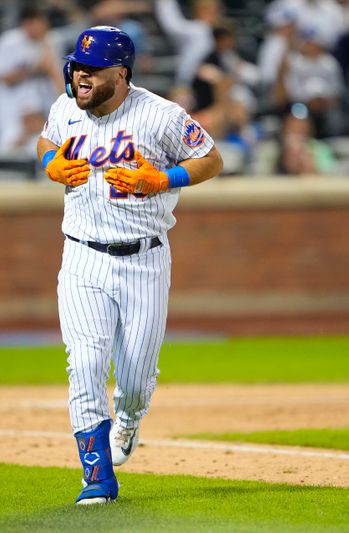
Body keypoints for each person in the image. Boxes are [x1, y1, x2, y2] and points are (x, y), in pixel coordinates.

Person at [36, 26, 222, 505]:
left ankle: (129, 421)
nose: (80, 77)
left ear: (120, 74)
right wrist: (51, 164)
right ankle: (96, 478)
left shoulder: (160, 116)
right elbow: (45, 143)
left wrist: (163, 179)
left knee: (136, 377)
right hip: (80, 255)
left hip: (144, 259)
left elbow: (211, 158)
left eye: (92, 70)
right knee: (86, 363)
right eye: (78, 66)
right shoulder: (64, 109)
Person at [0, 6, 62, 151]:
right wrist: (34, 69)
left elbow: (60, 86)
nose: (44, 27)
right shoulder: (8, 42)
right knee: (8, 153)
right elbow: (2, 78)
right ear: (28, 23)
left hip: (42, 111)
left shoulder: (51, 41)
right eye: (40, 22)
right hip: (10, 111)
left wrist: (49, 57)